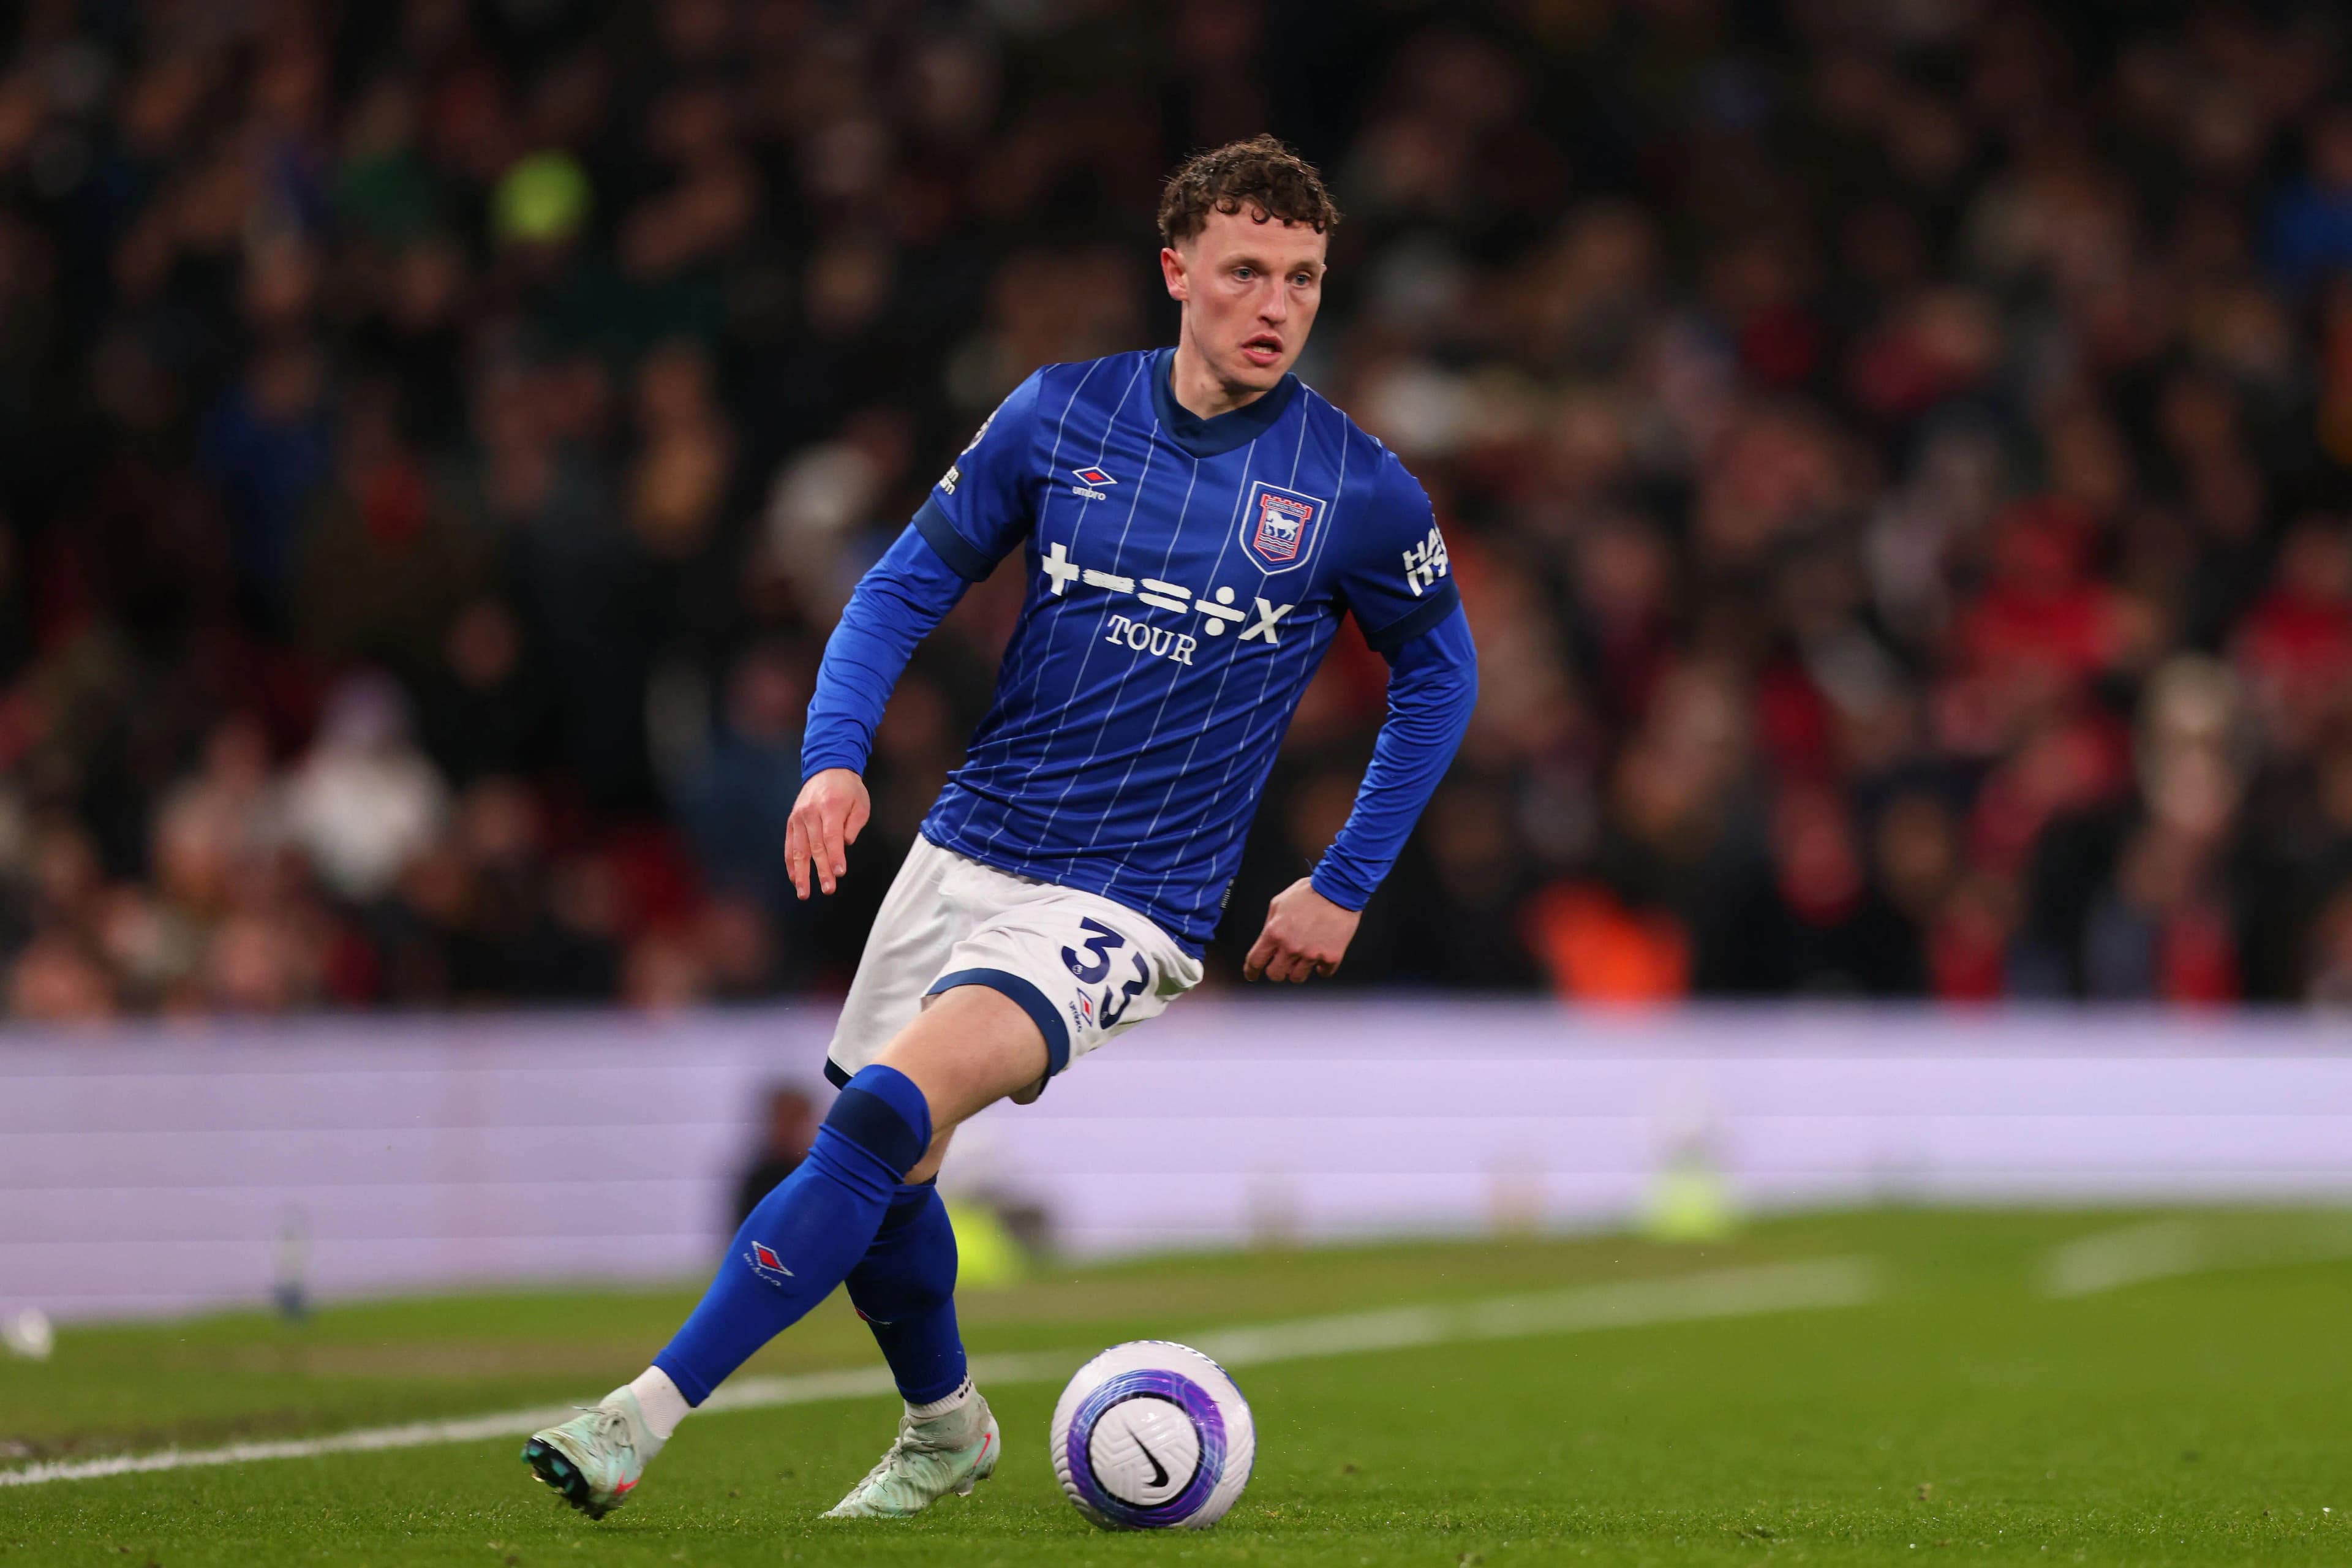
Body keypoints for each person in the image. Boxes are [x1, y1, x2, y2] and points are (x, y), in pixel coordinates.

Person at [521, 135, 1478, 1521]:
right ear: (1176, 273)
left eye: (1305, 279)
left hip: (1128, 897)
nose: (1276, 305)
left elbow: (1440, 674)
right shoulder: (1057, 416)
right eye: (1246, 273)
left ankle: (637, 1414)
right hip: (967, 845)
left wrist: (1344, 876)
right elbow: (896, 588)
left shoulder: (1356, 487)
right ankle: (945, 1425)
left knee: (875, 1118)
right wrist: (831, 761)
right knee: (885, 1179)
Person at [732, 1086, 816, 1230]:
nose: (790, 1129)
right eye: (784, 1119)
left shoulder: (819, 1177)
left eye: (796, 1120)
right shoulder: (759, 1180)